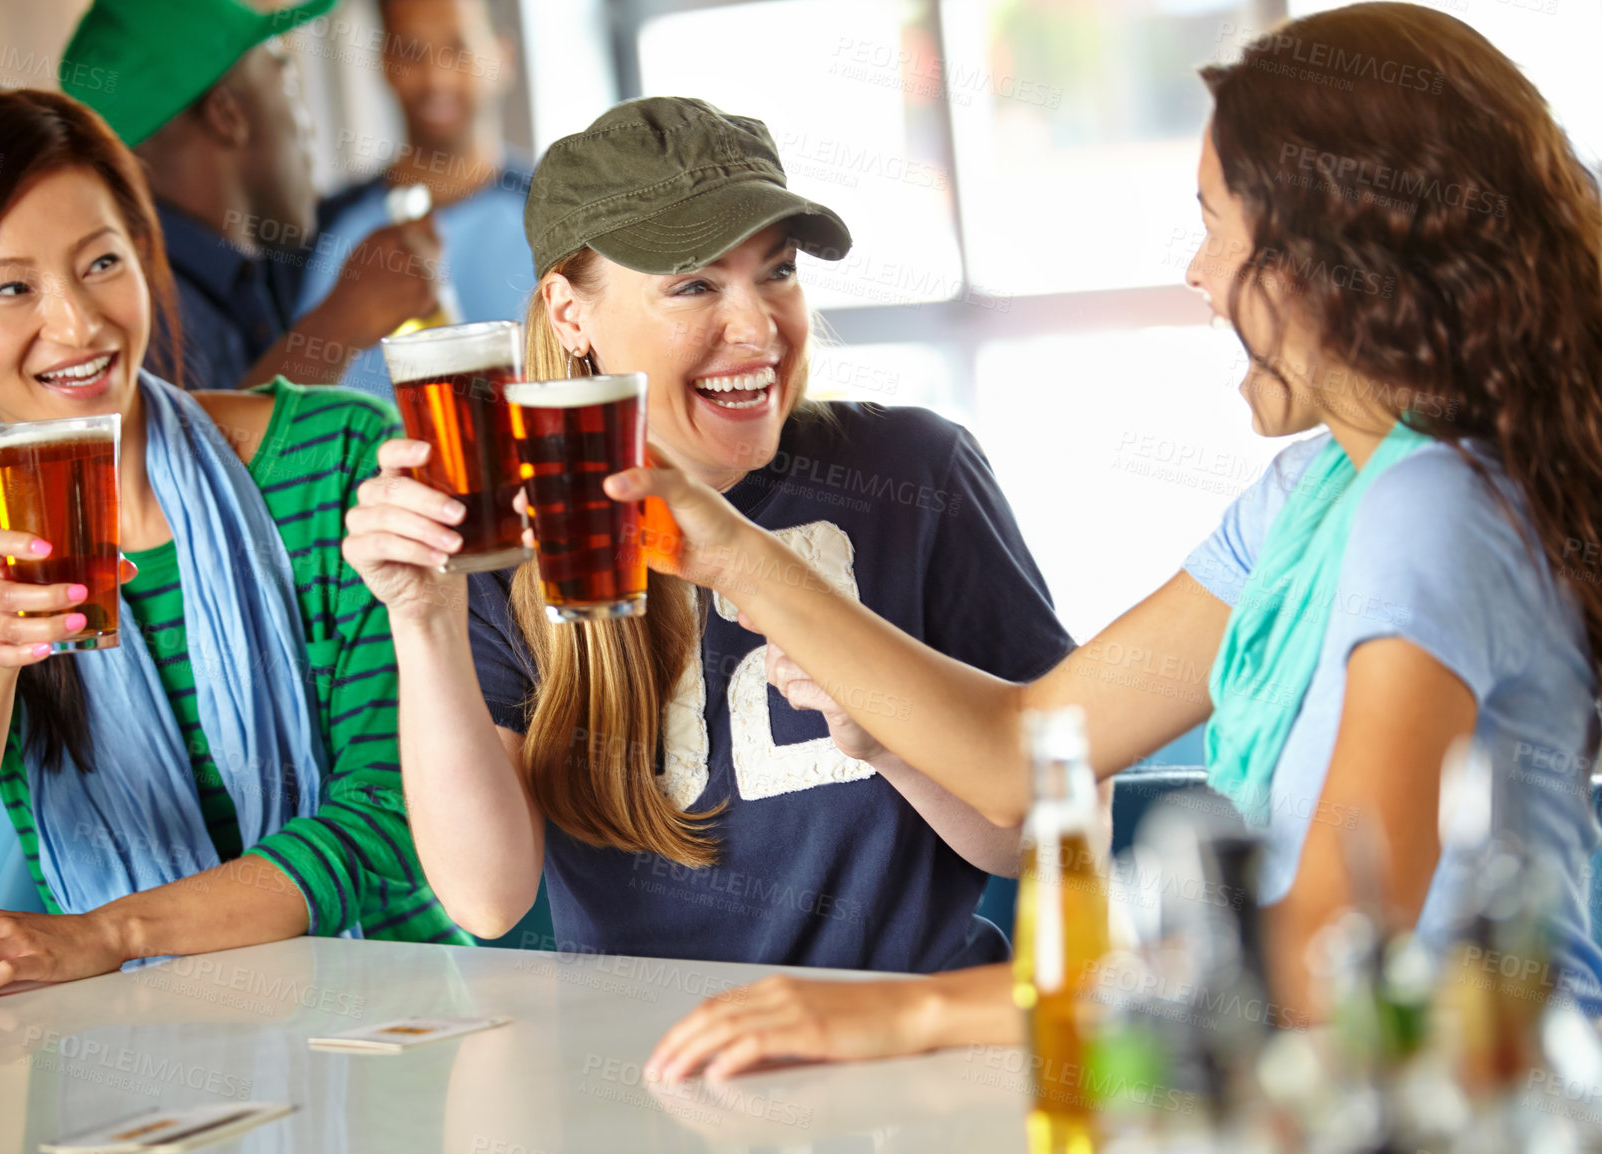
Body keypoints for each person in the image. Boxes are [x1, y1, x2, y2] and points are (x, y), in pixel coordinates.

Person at [626, 2, 1602, 1080]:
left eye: (1216, 222)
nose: (1198, 271)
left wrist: (917, 1013)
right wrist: (720, 545)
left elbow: (1331, 957)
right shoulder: (1312, 492)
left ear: (1331, 258)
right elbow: (1024, 749)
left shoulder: (1436, 507)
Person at [343, 97, 1074, 973]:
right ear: (570, 315)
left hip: (910, 1044)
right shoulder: (512, 530)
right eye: (694, 283)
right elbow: (487, 898)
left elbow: (1046, 838)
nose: (761, 328)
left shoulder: (914, 471)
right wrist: (420, 618)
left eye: (778, 271)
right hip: (661, 1072)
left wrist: (891, 739)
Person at [0, 88, 464, 1009]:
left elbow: (388, 816)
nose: (78, 325)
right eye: (12, 287)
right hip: (131, 1050)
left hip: (395, 1021)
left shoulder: (335, 457)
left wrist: (110, 935)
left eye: (101, 262)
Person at [60, 0, 444, 392]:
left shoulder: (252, 266)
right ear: (228, 116)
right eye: (289, 84)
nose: (308, 128)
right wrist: (338, 326)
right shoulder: (137, 309)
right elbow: (188, 448)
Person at [297, 0, 535, 401]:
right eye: (411, 52)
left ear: (503, 57)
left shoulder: (559, 215)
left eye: (457, 49)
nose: (436, 78)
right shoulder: (323, 229)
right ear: (385, 64)